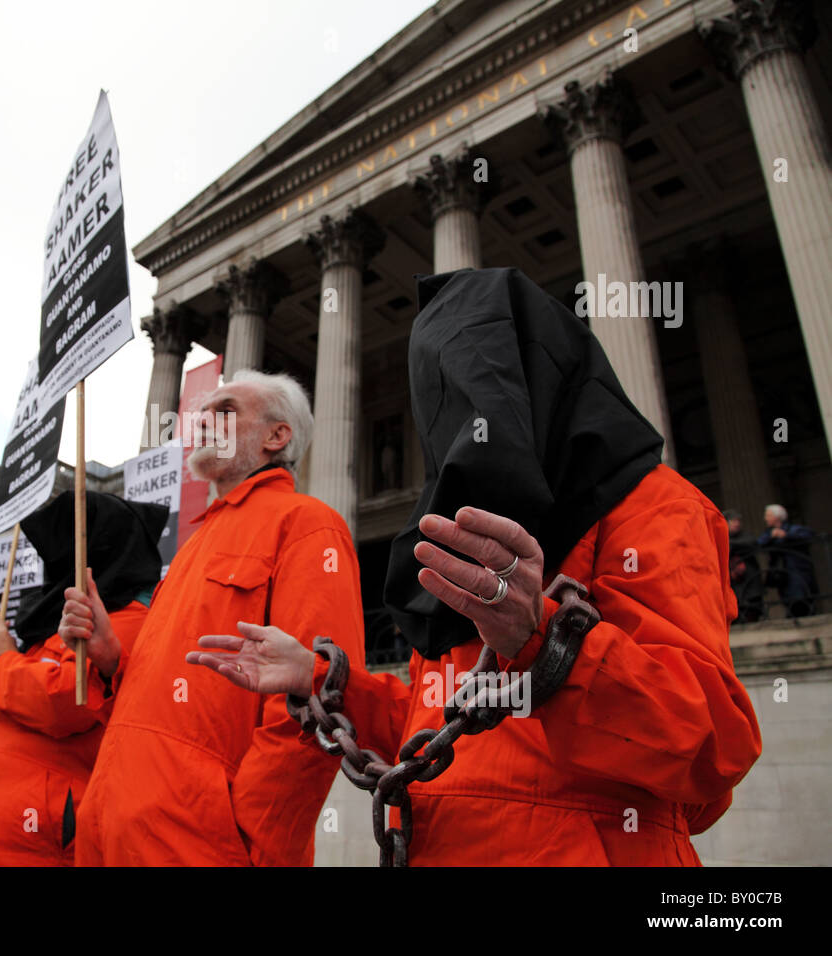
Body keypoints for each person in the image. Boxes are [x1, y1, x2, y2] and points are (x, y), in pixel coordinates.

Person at [190, 267, 763, 866]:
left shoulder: (655, 506)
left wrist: (545, 644)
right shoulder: (459, 535)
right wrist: (321, 677)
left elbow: (716, 751)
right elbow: (437, 717)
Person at [59, 369, 366, 866]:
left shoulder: (308, 524)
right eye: (203, 412)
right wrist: (114, 659)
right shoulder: (193, 542)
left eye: (225, 410)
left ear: (276, 436)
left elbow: (317, 701)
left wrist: (249, 844)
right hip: (112, 826)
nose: (203, 420)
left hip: (202, 843)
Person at [0, 492, 164, 866]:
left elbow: (67, 702)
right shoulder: (67, 619)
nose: (56, 562)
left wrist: (2, 664)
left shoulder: (126, 620)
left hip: (34, 830)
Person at [758, 504, 816, 618]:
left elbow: (809, 534)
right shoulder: (769, 533)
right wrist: (771, 536)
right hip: (782, 574)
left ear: (777, 517)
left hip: (798, 571)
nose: (765, 518)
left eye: (768, 515)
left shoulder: (792, 529)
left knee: (801, 599)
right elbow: (759, 543)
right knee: (788, 599)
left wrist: (786, 535)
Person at [723, 509, 764, 623]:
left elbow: (752, 543)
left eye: (738, 521)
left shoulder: (746, 536)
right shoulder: (722, 537)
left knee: (752, 605)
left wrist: (731, 544)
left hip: (749, 577)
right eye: (733, 521)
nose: (737, 523)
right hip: (733, 581)